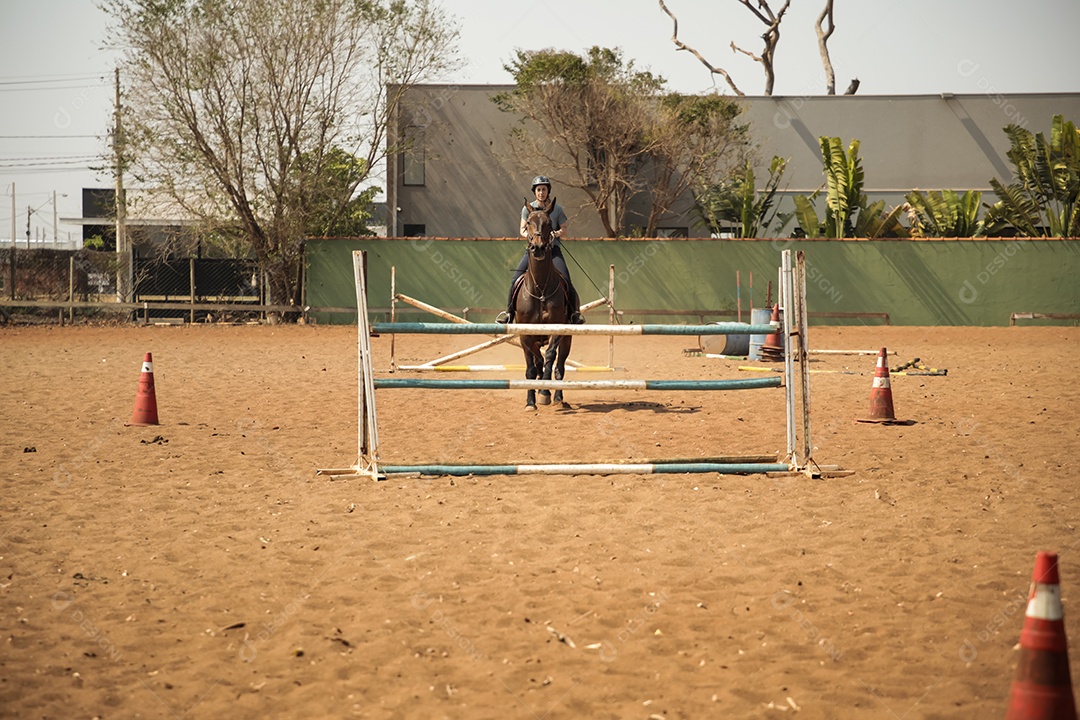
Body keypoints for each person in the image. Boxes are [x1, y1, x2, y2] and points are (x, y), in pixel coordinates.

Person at [496, 175, 585, 324]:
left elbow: (564, 229)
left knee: (567, 280)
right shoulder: (527, 208)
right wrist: (532, 238)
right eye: (538, 190)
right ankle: (509, 313)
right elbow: (522, 230)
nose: (541, 192)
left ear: (548, 191)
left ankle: (573, 314)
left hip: (553, 251)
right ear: (535, 192)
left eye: (544, 189)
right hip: (532, 251)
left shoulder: (556, 209)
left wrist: (555, 233)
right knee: (515, 280)